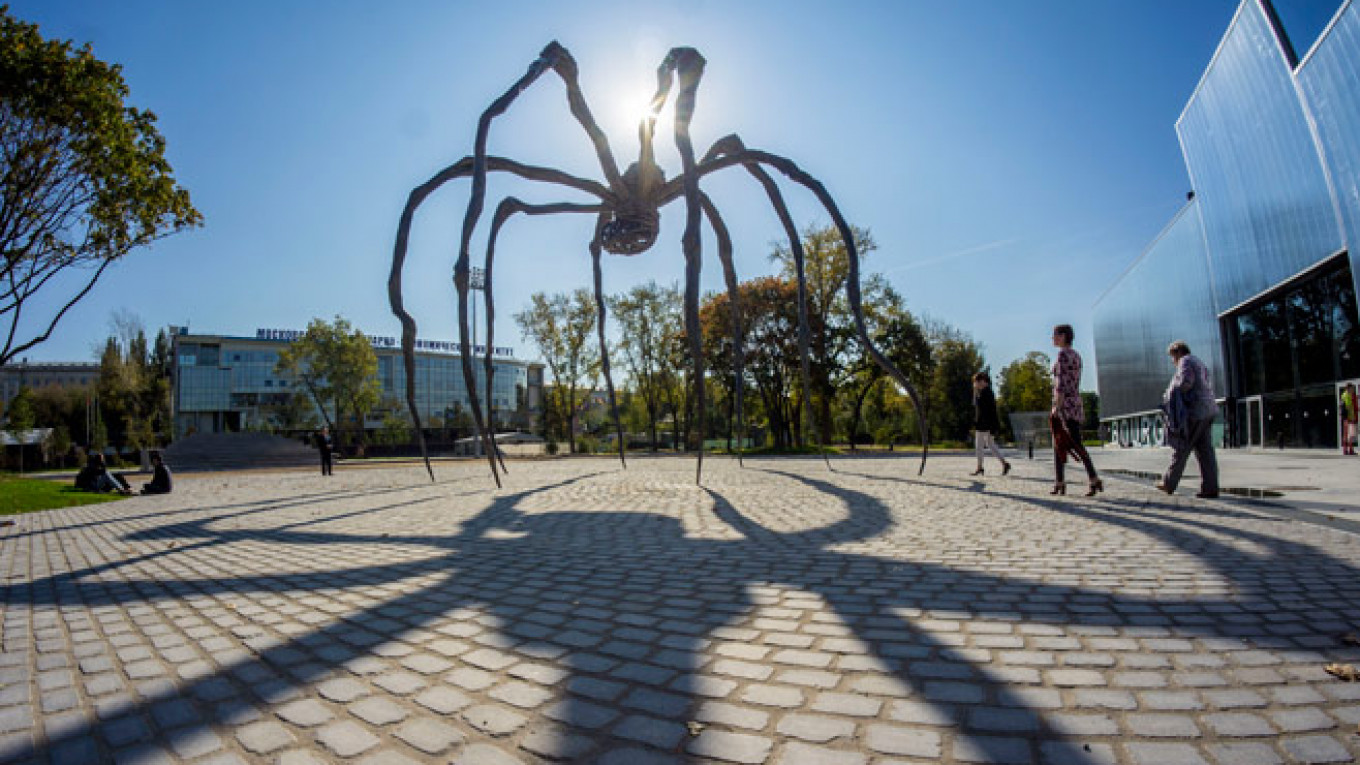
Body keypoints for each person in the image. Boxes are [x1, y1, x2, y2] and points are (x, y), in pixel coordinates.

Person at [1155, 340, 1220, 498]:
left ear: (1178, 352)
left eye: (1172, 356)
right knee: (1205, 451)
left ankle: (1169, 483)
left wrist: (1170, 394)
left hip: (1195, 411)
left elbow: (1185, 383)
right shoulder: (1199, 362)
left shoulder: (1185, 361)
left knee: (1182, 447)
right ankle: (1210, 487)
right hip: (1209, 409)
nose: (1173, 361)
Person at [1049, 324, 1102, 496]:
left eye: (1055, 335)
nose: (1052, 338)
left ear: (1063, 336)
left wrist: (1057, 406)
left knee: (1071, 443)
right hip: (1075, 403)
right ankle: (1060, 481)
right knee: (1060, 443)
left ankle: (1091, 478)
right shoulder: (1076, 355)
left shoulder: (1063, 355)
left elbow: (1061, 384)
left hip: (1065, 405)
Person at [969, 371, 1011, 476]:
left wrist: (975, 392)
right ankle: (1004, 463)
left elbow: (979, 407)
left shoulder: (985, 393)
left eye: (977, 382)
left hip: (984, 423)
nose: (976, 384)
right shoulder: (987, 392)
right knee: (990, 445)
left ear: (982, 381)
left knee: (979, 445)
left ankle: (980, 467)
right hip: (987, 424)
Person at [1341, 383, 1357, 456]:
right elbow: (1346, 408)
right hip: (1348, 418)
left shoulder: (1346, 395)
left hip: (1348, 418)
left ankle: (1347, 450)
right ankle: (1349, 449)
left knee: (1348, 434)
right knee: (1349, 434)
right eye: (1352, 388)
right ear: (1348, 388)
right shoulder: (1346, 396)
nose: (1353, 390)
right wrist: (1348, 418)